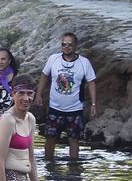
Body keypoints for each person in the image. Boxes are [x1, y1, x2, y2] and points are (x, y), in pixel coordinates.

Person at [36, 31, 97, 163]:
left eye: (70, 44)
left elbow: (91, 82)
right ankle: (48, 165)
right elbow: (44, 76)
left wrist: (93, 104)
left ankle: (74, 169)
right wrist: (39, 94)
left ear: (76, 46)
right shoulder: (53, 59)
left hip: (75, 109)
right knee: (50, 138)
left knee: (74, 139)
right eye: (64, 44)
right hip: (54, 108)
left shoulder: (84, 63)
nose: (66, 47)